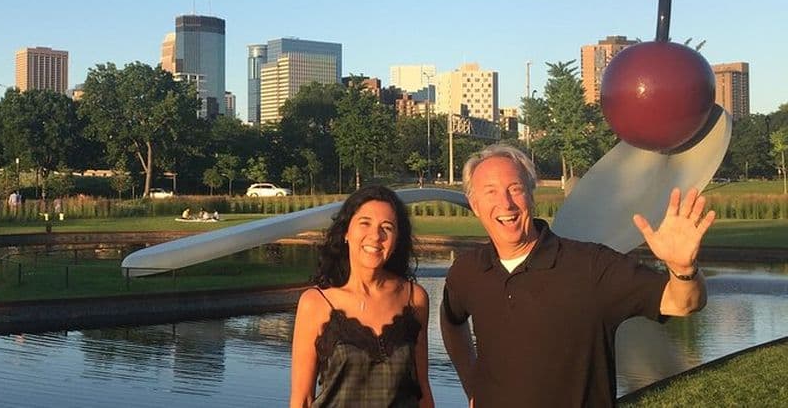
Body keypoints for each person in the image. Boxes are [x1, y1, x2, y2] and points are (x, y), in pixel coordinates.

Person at [440, 144, 714, 407]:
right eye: (490, 192)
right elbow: (452, 320)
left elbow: (683, 303)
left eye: (515, 189)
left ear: (531, 196)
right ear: (474, 204)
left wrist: (683, 270)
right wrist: (472, 383)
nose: (506, 203)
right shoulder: (468, 271)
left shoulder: (591, 266)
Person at [290, 185, 434, 408]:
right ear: (346, 232)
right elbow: (302, 399)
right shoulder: (316, 303)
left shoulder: (414, 298)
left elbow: (422, 390)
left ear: (397, 240)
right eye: (365, 223)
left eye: (387, 227)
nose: (376, 236)